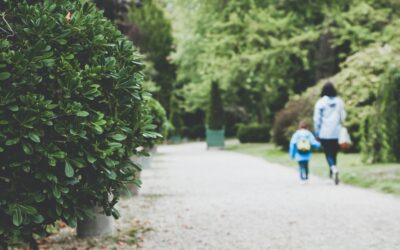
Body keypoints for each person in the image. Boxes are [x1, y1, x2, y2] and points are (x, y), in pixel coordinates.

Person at [313, 82, 346, 185]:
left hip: (325, 132)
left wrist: (317, 132)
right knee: (334, 153)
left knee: (328, 154)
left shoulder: (320, 102)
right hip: (336, 132)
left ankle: (333, 170)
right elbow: (343, 116)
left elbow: (317, 119)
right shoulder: (339, 101)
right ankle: (332, 174)